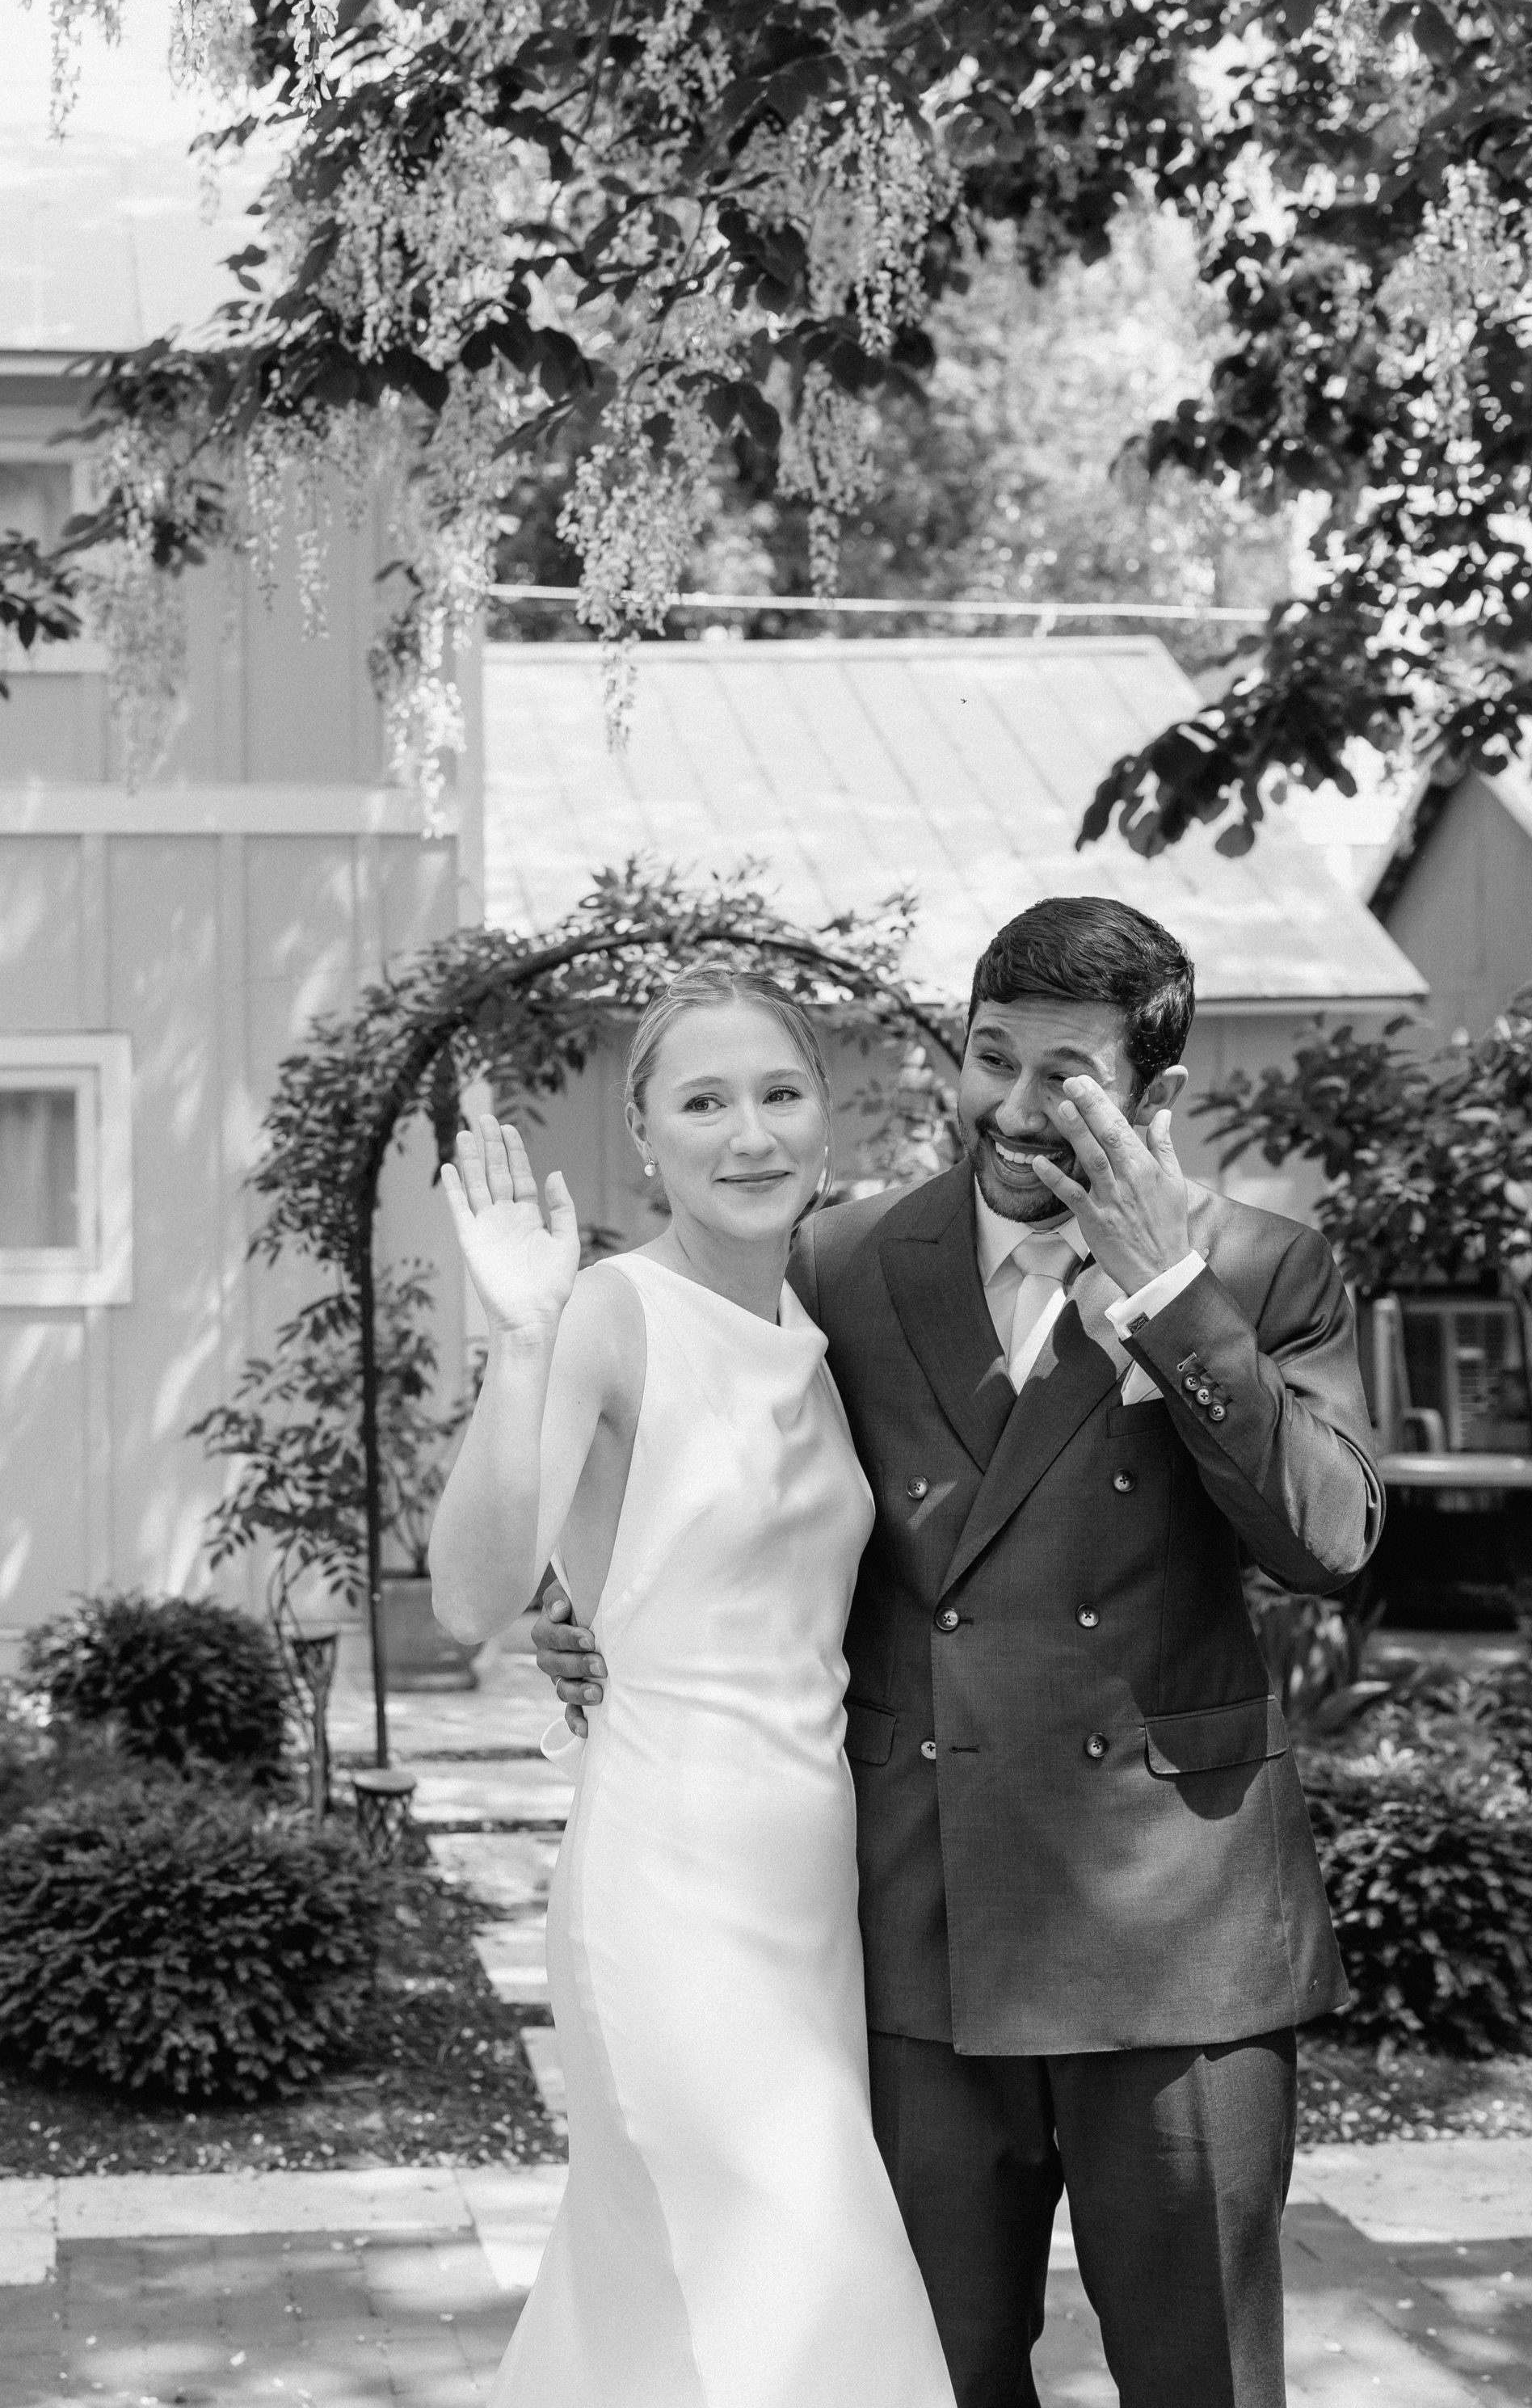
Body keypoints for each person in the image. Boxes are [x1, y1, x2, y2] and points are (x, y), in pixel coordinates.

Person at [537, 896, 1384, 2408]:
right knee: (925, 2377)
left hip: (1176, 1937)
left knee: (1201, 2381)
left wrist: (1169, 1295)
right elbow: (721, 1480)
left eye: (1069, 1077)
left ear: (1157, 1093)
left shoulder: (1261, 1267)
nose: (1016, 1107)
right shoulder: (842, 1257)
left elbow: (1329, 1539)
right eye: (994, 1057)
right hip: (920, 1923)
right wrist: (592, 1602)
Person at [427, 963, 957, 2408]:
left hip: (812, 1898)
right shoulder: (609, 1312)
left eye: (780, 1094)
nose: (751, 1134)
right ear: (646, 1137)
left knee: (669, 2314)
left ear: (826, 1119)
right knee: (799, 2292)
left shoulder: (815, 1336)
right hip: (670, 1893)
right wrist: (523, 1340)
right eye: (705, 1103)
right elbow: (473, 1594)